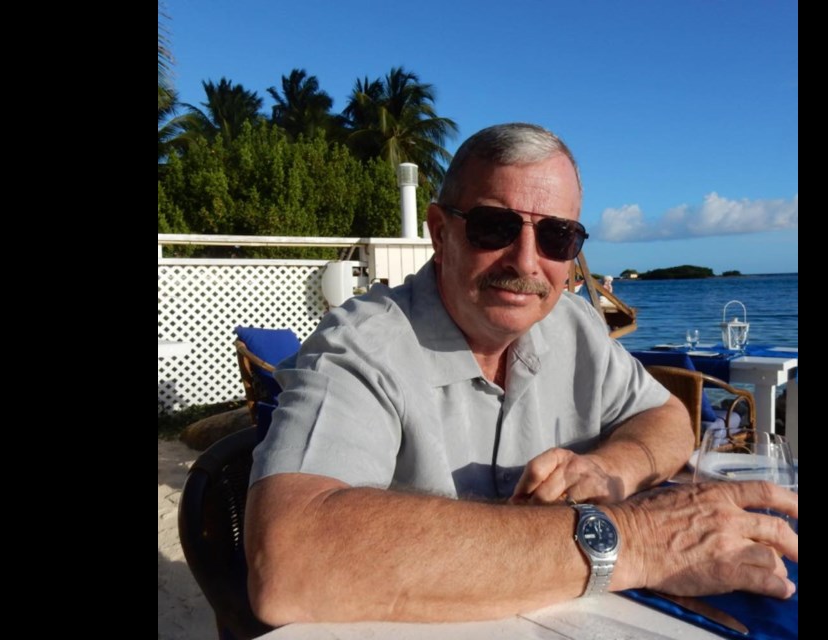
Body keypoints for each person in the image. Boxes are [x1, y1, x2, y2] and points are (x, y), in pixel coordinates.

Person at [245, 123, 798, 625]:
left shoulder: (572, 323)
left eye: (557, 236)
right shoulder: (361, 347)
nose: (527, 262)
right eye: (494, 226)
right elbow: (290, 560)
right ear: (441, 233)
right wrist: (635, 540)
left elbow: (666, 416)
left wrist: (615, 467)